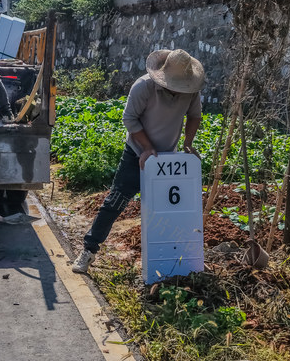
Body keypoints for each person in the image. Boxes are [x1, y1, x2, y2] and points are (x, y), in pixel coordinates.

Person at [71, 49, 205, 274]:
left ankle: (169, 258)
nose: (177, 88)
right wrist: (147, 148)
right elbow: (129, 118)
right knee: (115, 202)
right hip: (137, 154)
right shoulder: (144, 87)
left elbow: (195, 116)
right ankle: (89, 250)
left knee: (167, 209)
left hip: (167, 159)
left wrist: (188, 143)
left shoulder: (190, 89)